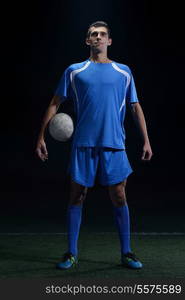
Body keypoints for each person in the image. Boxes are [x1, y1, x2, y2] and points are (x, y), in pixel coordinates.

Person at [35, 21, 153, 270]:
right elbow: (55, 103)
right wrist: (41, 136)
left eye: (102, 34)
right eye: (93, 35)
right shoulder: (75, 71)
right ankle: (71, 253)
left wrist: (146, 139)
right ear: (87, 41)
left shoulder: (124, 71)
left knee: (119, 195)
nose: (97, 37)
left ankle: (127, 252)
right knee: (77, 195)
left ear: (109, 41)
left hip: (114, 143)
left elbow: (135, 106)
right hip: (83, 144)